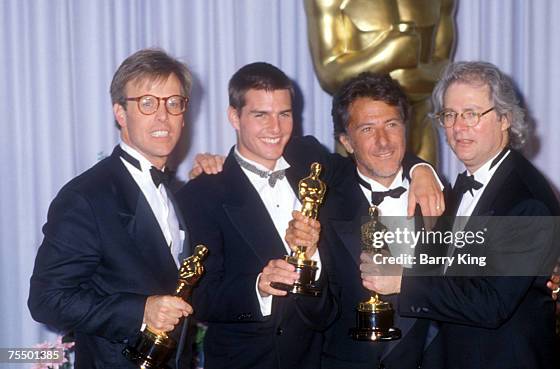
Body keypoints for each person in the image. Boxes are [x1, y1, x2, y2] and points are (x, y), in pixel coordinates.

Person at [177, 62, 443, 369]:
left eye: (284, 114)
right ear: (234, 117)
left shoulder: (311, 162)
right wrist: (258, 287)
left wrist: (421, 168)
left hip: (314, 358)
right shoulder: (202, 193)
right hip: (245, 361)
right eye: (260, 115)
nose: (275, 128)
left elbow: (376, 153)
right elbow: (201, 296)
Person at [362, 61, 560, 369]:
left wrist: (404, 280)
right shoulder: (456, 190)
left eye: (471, 113)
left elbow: (490, 302)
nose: (458, 127)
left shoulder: (525, 199)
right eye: (449, 115)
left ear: (505, 118)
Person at [28, 49, 195, 368]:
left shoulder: (180, 192)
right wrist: (140, 310)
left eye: (173, 102)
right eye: (147, 102)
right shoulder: (86, 196)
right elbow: (46, 300)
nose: (163, 116)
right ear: (120, 112)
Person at [315, 72, 440, 369]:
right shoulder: (325, 198)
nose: (383, 141)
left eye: (392, 124)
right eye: (368, 129)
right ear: (346, 141)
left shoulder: (443, 196)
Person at [304, 0, 456, 164]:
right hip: (362, 139)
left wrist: (405, 72)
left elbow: (445, 69)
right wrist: (389, 54)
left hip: (419, 134)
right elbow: (328, 75)